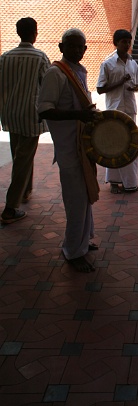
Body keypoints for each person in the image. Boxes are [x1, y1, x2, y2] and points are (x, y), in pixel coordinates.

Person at [38, 29, 99, 273]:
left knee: (84, 197)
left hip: (82, 146)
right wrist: (79, 115)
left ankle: (83, 242)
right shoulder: (55, 73)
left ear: (85, 50)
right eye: (71, 46)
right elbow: (44, 110)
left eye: (79, 47)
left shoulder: (79, 72)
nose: (75, 51)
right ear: (61, 47)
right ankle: (73, 252)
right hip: (68, 148)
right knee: (75, 201)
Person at [0, 18, 51, 224]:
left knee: (19, 154)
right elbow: (47, 85)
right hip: (31, 115)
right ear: (35, 33)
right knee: (22, 160)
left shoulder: (5, 57)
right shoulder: (40, 57)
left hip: (11, 113)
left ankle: (26, 191)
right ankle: (11, 208)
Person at [96, 29, 138, 194]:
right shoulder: (107, 64)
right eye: (123, 42)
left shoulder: (133, 63)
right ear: (116, 43)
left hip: (129, 109)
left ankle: (130, 182)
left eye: (129, 42)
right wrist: (120, 82)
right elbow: (100, 89)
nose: (127, 45)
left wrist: (134, 87)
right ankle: (114, 182)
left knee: (130, 144)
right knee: (114, 146)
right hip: (114, 110)